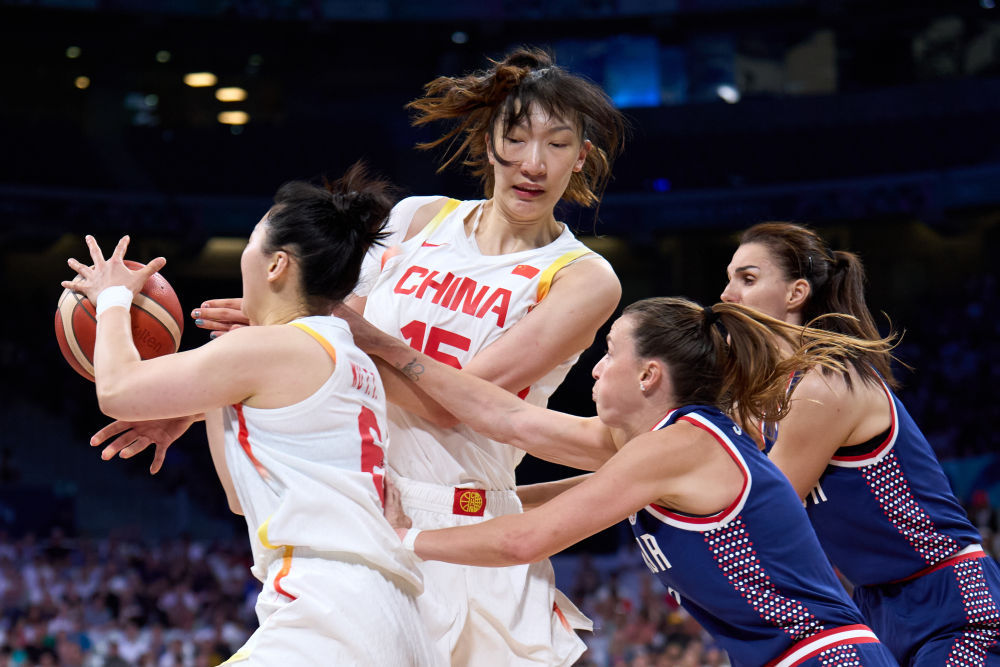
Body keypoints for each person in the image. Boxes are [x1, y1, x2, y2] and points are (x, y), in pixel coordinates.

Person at [136, 47, 625, 666]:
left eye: (557, 144)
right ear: (488, 143)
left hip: (465, 527)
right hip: (360, 510)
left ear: (580, 156)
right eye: (517, 138)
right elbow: (324, 345)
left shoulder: (581, 277)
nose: (534, 163)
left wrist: (345, 340)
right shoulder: (418, 219)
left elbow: (457, 402)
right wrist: (211, 393)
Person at [333, 297, 899, 667]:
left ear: (649, 374)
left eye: (608, 353)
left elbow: (524, 539)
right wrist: (385, 346)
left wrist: (401, 538)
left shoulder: (678, 447)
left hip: (823, 656)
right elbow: (508, 420)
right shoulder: (663, 446)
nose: (597, 368)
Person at [62, 166, 437, 666]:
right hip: (387, 616)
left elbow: (116, 389)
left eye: (252, 239)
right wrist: (209, 400)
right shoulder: (348, 356)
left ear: (277, 264)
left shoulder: (271, 347)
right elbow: (241, 498)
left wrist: (112, 297)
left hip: (329, 613)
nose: (245, 252)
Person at [720, 221, 1000, 665]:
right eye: (730, 278)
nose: (727, 295)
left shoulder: (824, 383)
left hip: (949, 598)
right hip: (878, 604)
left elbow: (761, 511)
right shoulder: (771, 396)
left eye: (747, 279)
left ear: (795, 293)